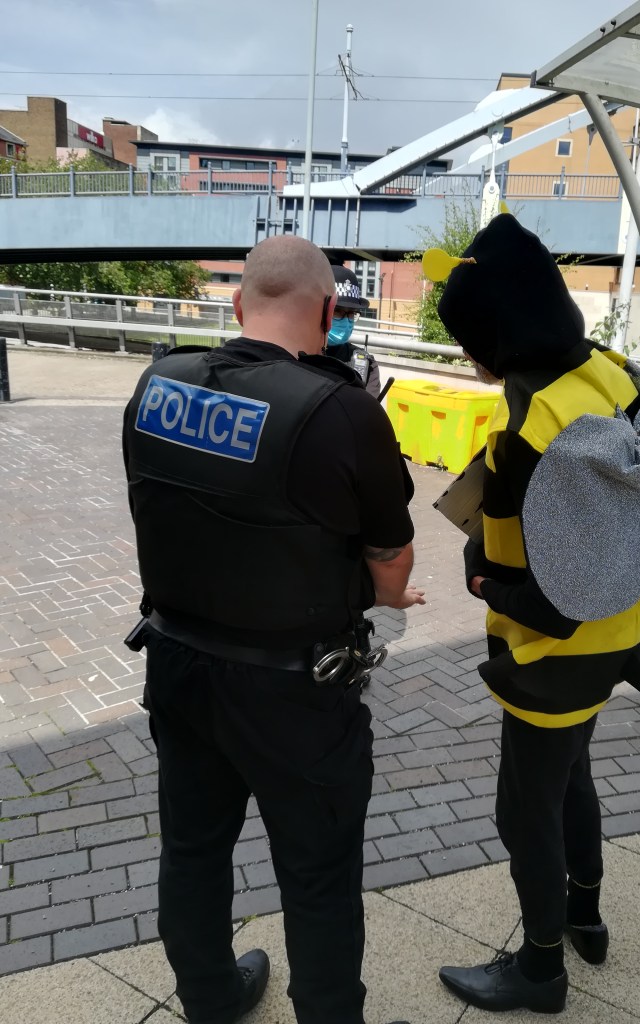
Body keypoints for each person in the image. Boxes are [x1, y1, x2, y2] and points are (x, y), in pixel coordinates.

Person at [430, 212, 640, 1015]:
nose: (467, 358)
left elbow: (542, 594)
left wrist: (485, 584)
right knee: (573, 775)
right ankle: (585, 918)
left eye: (469, 341)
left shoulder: (533, 431)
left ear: (498, 334)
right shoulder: (609, 373)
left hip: (552, 658)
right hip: (623, 633)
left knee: (523, 810)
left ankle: (540, 971)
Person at [122, 234, 424, 1024]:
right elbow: (389, 556)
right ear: (328, 312)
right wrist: (390, 597)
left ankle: (210, 1000)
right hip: (295, 691)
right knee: (319, 876)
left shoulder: (159, 383)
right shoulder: (343, 410)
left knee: (193, 851)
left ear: (237, 305)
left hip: (177, 665)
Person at [326, 264, 382, 397]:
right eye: (337, 311)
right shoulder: (296, 356)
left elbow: (368, 408)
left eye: (351, 313)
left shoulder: (365, 364)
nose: (346, 320)